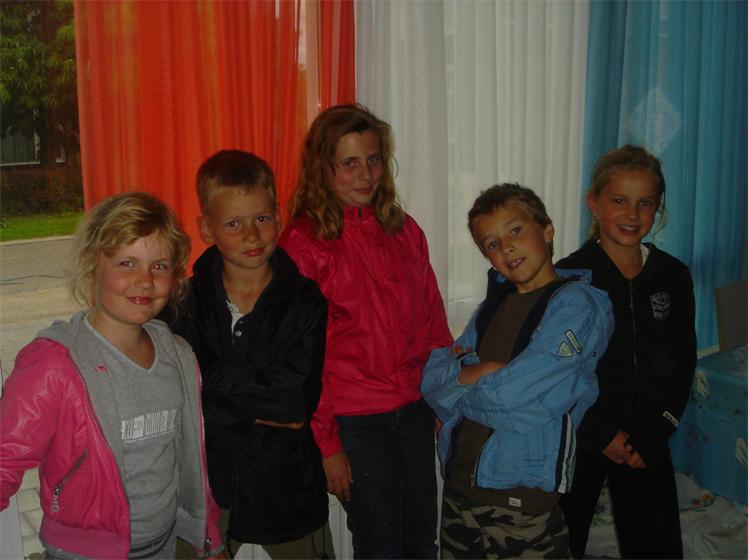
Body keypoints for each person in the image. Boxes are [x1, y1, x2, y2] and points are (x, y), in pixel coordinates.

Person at [0, 192, 224, 559]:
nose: (144, 280)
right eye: (126, 263)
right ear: (92, 266)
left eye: (159, 265)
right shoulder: (54, 364)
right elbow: (4, 458)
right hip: (84, 553)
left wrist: (209, 535)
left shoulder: (178, 355)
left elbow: (191, 460)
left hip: (165, 545)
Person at [279, 103, 452, 559]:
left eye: (373, 160)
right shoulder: (303, 244)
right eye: (349, 163)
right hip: (354, 422)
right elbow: (301, 359)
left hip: (412, 411)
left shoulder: (405, 230)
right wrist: (328, 445)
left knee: (421, 541)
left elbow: (434, 323)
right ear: (324, 169)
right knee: (380, 546)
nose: (365, 175)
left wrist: (442, 395)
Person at [421, 183, 614, 559]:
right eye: (492, 243)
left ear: (547, 229)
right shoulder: (492, 307)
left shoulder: (576, 307)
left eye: (515, 230)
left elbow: (510, 398)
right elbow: (431, 381)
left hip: (522, 499)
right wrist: (476, 372)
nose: (506, 247)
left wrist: (461, 385)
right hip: (460, 488)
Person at [164, 150, 334, 559]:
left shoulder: (306, 301)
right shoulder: (184, 303)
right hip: (206, 487)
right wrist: (255, 401)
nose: (252, 235)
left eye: (261, 218)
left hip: (287, 487)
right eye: (233, 224)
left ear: (278, 215)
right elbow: (179, 395)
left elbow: (295, 400)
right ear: (207, 229)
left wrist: (209, 384)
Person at [558, 145, 696, 559]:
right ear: (594, 203)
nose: (632, 215)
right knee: (561, 543)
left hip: (646, 438)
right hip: (582, 435)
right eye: (619, 201)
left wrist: (658, 431)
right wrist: (599, 433)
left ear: (658, 208)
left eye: (645, 203)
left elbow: (683, 361)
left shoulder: (673, 275)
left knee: (656, 545)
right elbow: (557, 372)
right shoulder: (569, 279)